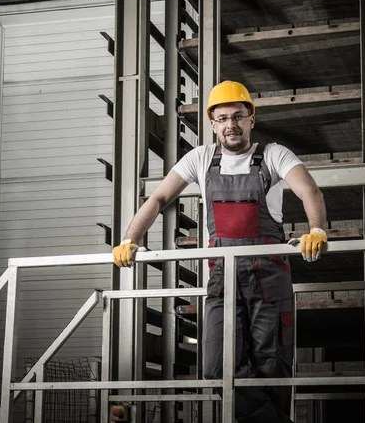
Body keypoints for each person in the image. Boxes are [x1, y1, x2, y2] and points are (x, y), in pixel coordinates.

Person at [112, 80, 328, 423]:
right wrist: (130, 239)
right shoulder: (200, 159)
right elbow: (158, 198)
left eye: (239, 116)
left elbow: (309, 191)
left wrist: (317, 229)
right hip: (222, 281)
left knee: (271, 367)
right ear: (213, 123)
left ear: (251, 119)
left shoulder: (273, 155)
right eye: (223, 118)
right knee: (216, 368)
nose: (231, 125)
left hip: (269, 281)